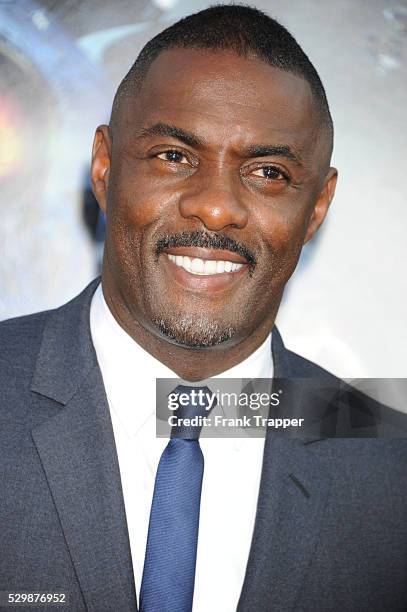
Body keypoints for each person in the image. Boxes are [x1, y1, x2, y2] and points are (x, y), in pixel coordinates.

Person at [0, 5, 406, 612]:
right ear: (105, 167)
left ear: (317, 206)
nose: (216, 208)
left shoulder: (390, 469)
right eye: (173, 156)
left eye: (268, 172)